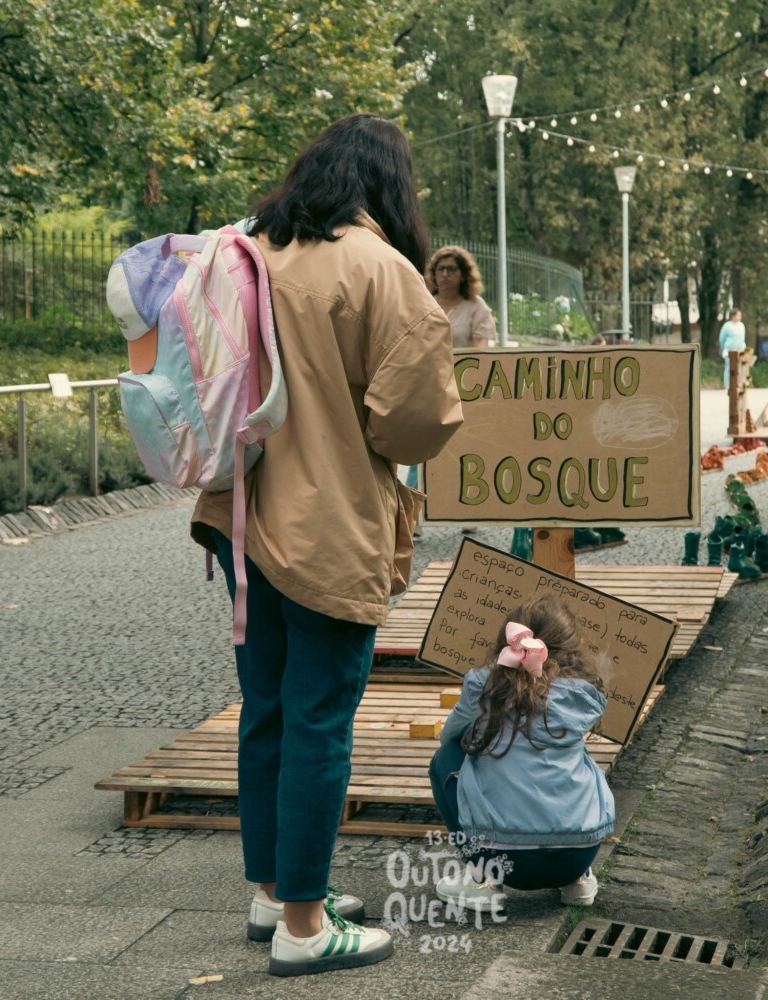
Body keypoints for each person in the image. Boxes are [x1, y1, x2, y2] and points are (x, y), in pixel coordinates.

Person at [190, 113, 463, 978]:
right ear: (389, 186)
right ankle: (308, 927)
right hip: (327, 522)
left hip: (239, 515)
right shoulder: (381, 270)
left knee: (267, 710)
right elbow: (413, 426)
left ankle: (274, 891)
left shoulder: (251, 251)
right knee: (319, 717)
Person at [428, 595, 616, 914]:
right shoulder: (585, 694)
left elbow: (450, 736)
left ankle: (482, 881)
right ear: (571, 646)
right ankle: (579, 882)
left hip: (507, 861)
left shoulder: (482, 686)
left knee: (445, 757)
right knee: (577, 759)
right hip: (579, 853)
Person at [426, 245, 497, 348]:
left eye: (451, 269)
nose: (445, 274)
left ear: (463, 275)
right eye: (441, 269)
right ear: (434, 273)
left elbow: (481, 351)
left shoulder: (476, 307)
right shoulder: (425, 303)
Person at [718, 308, 747, 389]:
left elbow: (743, 337)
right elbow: (722, 338)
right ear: (733, 316)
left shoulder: (741, 325)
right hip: (730, 350)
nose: (740, 317)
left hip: (740, 349)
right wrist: (724, 348)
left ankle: (740, 384)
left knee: (741, 368)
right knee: (729, 368)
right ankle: (728, 386)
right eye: (738, 315)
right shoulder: (727, 326)